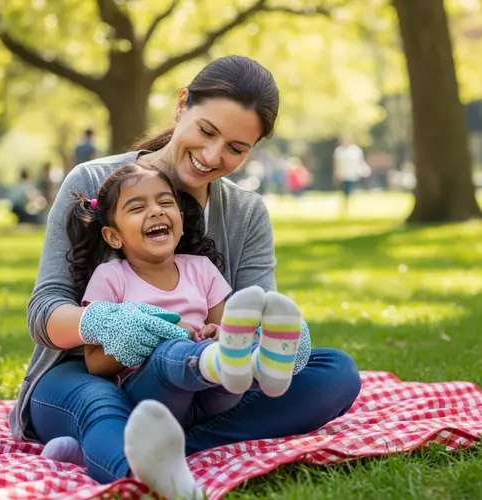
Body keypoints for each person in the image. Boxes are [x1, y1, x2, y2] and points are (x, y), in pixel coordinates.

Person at [9, 56, 361, 499]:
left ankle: (170, 449)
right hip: (86, 376)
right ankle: (141, 470)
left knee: (335, 374)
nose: (213, 157)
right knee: (102, 406)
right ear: (182, 107)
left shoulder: (245, 213)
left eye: (236, 148)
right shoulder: (94, 181)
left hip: (205, 383)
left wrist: (274, 339)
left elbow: (249, 312)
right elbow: (44, 310)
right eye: (207, 131)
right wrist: (100, 324)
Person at [44, 162, 306, 467]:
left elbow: (224, 330)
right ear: (114, 236)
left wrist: (217, 333)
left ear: (180, 222)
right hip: (150, 393)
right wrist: (146, 341)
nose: (155, 211)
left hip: (214, 395)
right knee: (173, 350)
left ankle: (259, 364)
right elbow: (94, 363)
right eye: (137, 207)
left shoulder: (202, 270)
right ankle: (236, 365)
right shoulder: (110, 277)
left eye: (165, 202)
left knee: (239, 363)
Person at [332, 135, 370, 215]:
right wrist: (335, 175)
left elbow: (361, 161)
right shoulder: (339, 151)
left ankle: (350, 205)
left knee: (350, 190)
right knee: (344, 191)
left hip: (353, 174)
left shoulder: (356, 151)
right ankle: (345, 205)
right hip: (342, 174)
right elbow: (336, 164)